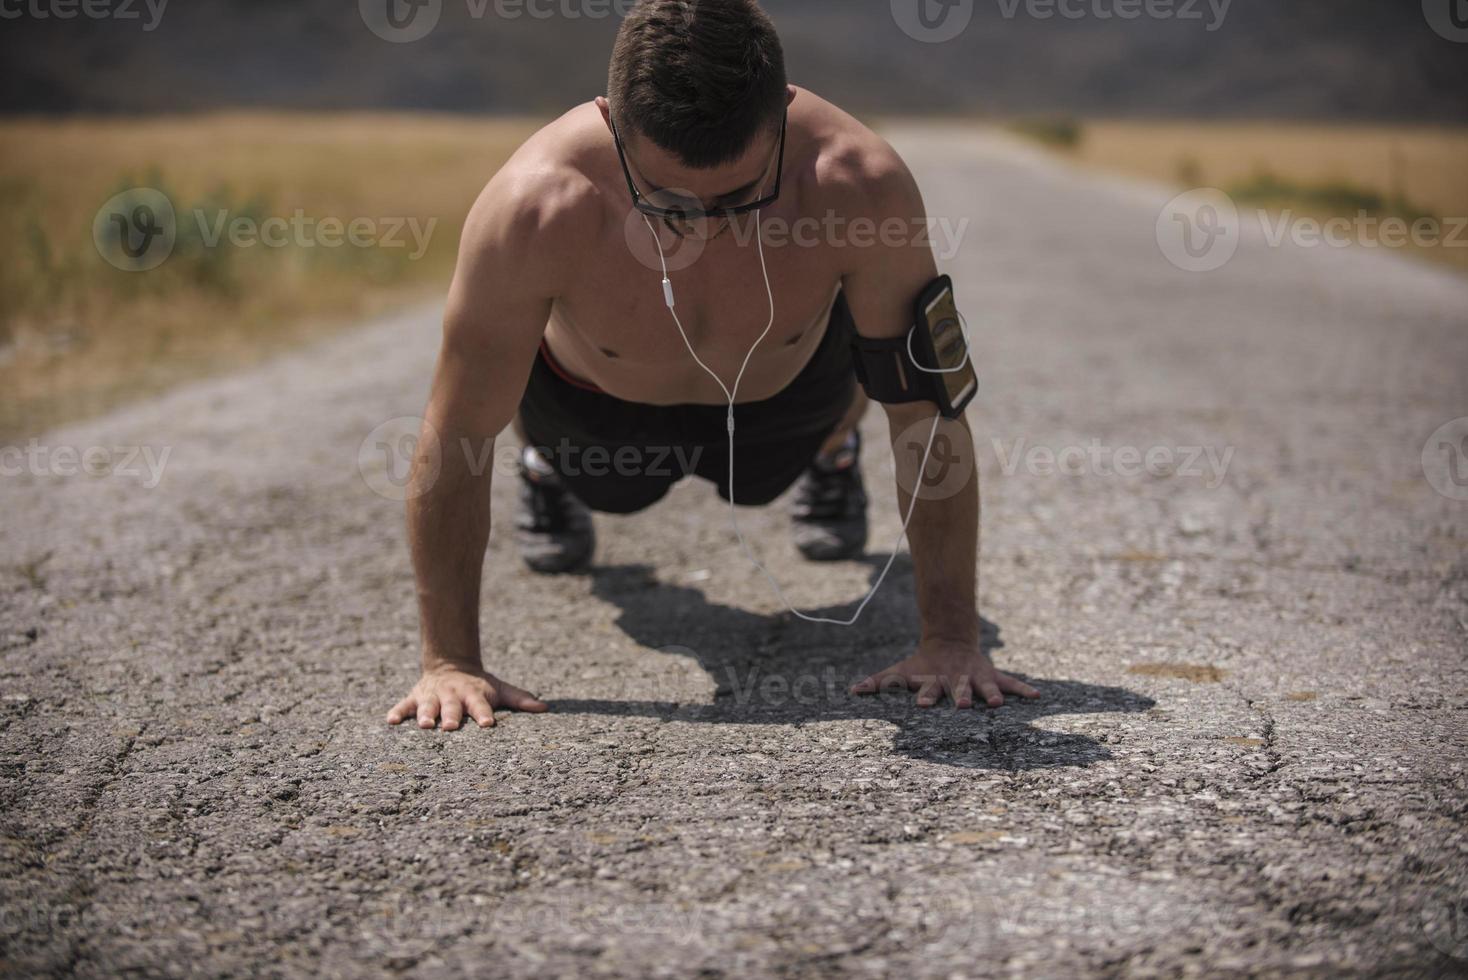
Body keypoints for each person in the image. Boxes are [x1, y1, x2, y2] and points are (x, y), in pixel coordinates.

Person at [387, 0, 1039, 731]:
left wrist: (952, 641)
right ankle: (545, 467)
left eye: (739, 195)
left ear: (784, 116)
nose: (705, 224)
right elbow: (456, 431)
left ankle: (833, 449)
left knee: (859, 370)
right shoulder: (537, 204)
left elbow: (927, 411)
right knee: (612, 509)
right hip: (593, 409)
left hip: (783, 401)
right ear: (610, 121)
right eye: (662, 199)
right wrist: (449, 662)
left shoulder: (858, 183)